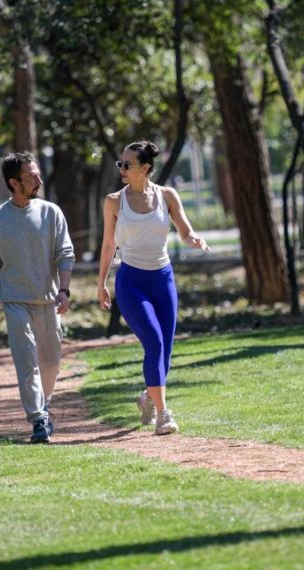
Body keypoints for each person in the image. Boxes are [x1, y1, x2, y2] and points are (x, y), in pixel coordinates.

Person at [97, 141, 209, 435]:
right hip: (132, 281)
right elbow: (109, 244)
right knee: (154, 343)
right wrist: (101, 283)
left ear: (145, 168)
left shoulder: (166, 196)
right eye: (120, 163)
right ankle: (163, 414)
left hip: (163, 279)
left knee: (166, 352)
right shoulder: (113, 201)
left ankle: (148, 396)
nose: (121, 169)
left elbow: (184, 230)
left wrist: (194, 239)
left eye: (127, 164)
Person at [0, 152, 75, 444]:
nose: (38, 180)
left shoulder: (51, 212)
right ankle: (38, 419)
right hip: (15, 303)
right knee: (26, 362)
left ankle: (42, 405)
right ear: (13, 182)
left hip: (48, 301)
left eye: (37, 174)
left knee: (51, 362)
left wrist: (64, 289)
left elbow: (65, 253)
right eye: (31, 176)